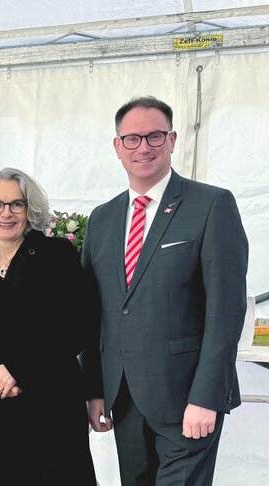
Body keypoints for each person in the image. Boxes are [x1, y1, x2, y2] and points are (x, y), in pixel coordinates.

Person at [82, 96, 248, 485]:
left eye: (154, 136)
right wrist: (95, 390)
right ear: (117, 147)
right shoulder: (102, 219)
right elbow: (96, 314)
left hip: (187, 400)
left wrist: (207, 396)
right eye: (132, 138)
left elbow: (225, 311)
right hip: (124, 398)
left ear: (172, 139)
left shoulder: (211, 205)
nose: (144, 147)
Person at [0, 168, 97, 485]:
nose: (6, 213)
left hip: (52, 407)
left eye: (16, 204)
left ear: (29, 210)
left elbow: (76, 326)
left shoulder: (57, 255)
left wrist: (18, 371)